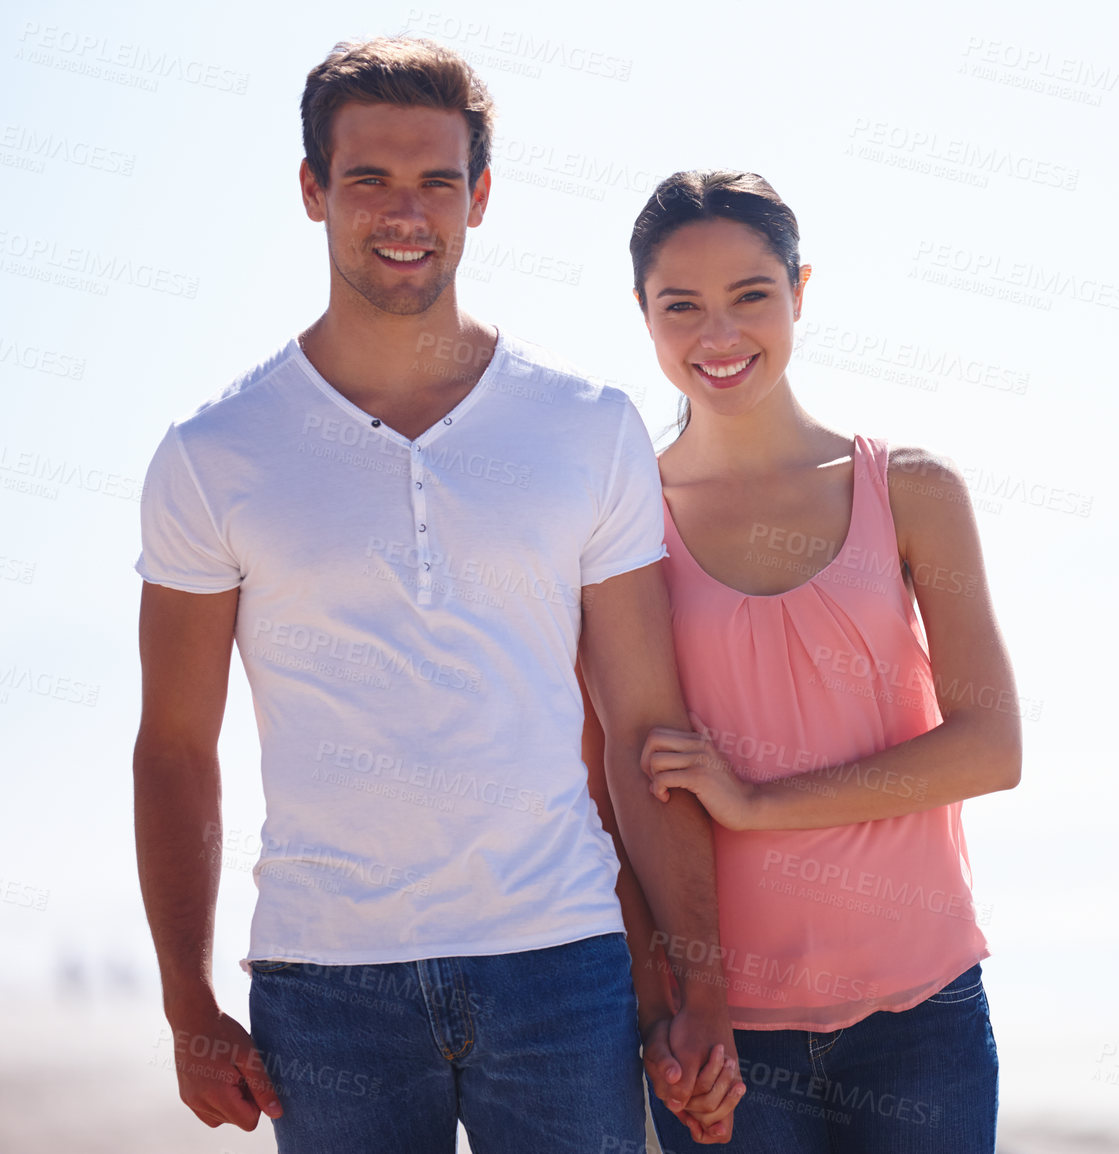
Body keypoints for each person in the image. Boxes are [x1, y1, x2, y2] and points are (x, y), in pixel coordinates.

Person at [131, 39, 744, 1151]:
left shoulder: (586, 429)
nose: (403, 211)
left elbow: (646, 731)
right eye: (367, 177)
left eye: (436, 181)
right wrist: (186, 1001)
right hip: (324, 984)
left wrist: (695, 983)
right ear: (313, 189)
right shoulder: (213, 455)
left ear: (481, 196)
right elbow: (174, 745)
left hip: (562, 961)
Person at [616, 170, 1022, 1153]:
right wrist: (658, 1007)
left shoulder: (912, 490)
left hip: (922, 1008)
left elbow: (989, 747)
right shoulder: (622, 519)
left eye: (751, 295)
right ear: (643, 314)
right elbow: (612, 779)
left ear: (800, 290)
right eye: (682, 306)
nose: (718, 334)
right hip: (728, 1033)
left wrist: (757, 799)